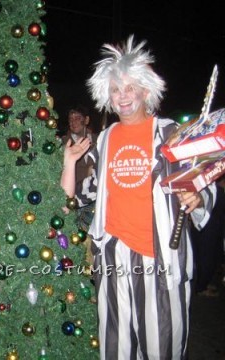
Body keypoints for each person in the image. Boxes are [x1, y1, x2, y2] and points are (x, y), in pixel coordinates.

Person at [61, 35, 216, 359]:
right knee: (115, 347)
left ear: (146, 90)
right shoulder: (104, 139)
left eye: (130, 87)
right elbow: (92, 191)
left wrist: (199, 198)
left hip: (159, 257)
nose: (123, 96)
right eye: (116, 89)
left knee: (162, 347)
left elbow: (204, 179)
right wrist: (70, 165)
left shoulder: (170, 132)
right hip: (113, 256)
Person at [61, 105, 97, 229]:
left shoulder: (99, 140)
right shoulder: (64, 143)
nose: (73, 121)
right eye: (70, 119)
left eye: (77, 118)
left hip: (94, 197)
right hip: (75, 196)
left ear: (86, 120)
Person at [190, 175, 225, 296]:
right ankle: (201, 286)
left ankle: (202, 283)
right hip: (207, 200)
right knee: (207, 248)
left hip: (212, 198)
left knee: (212, 246)